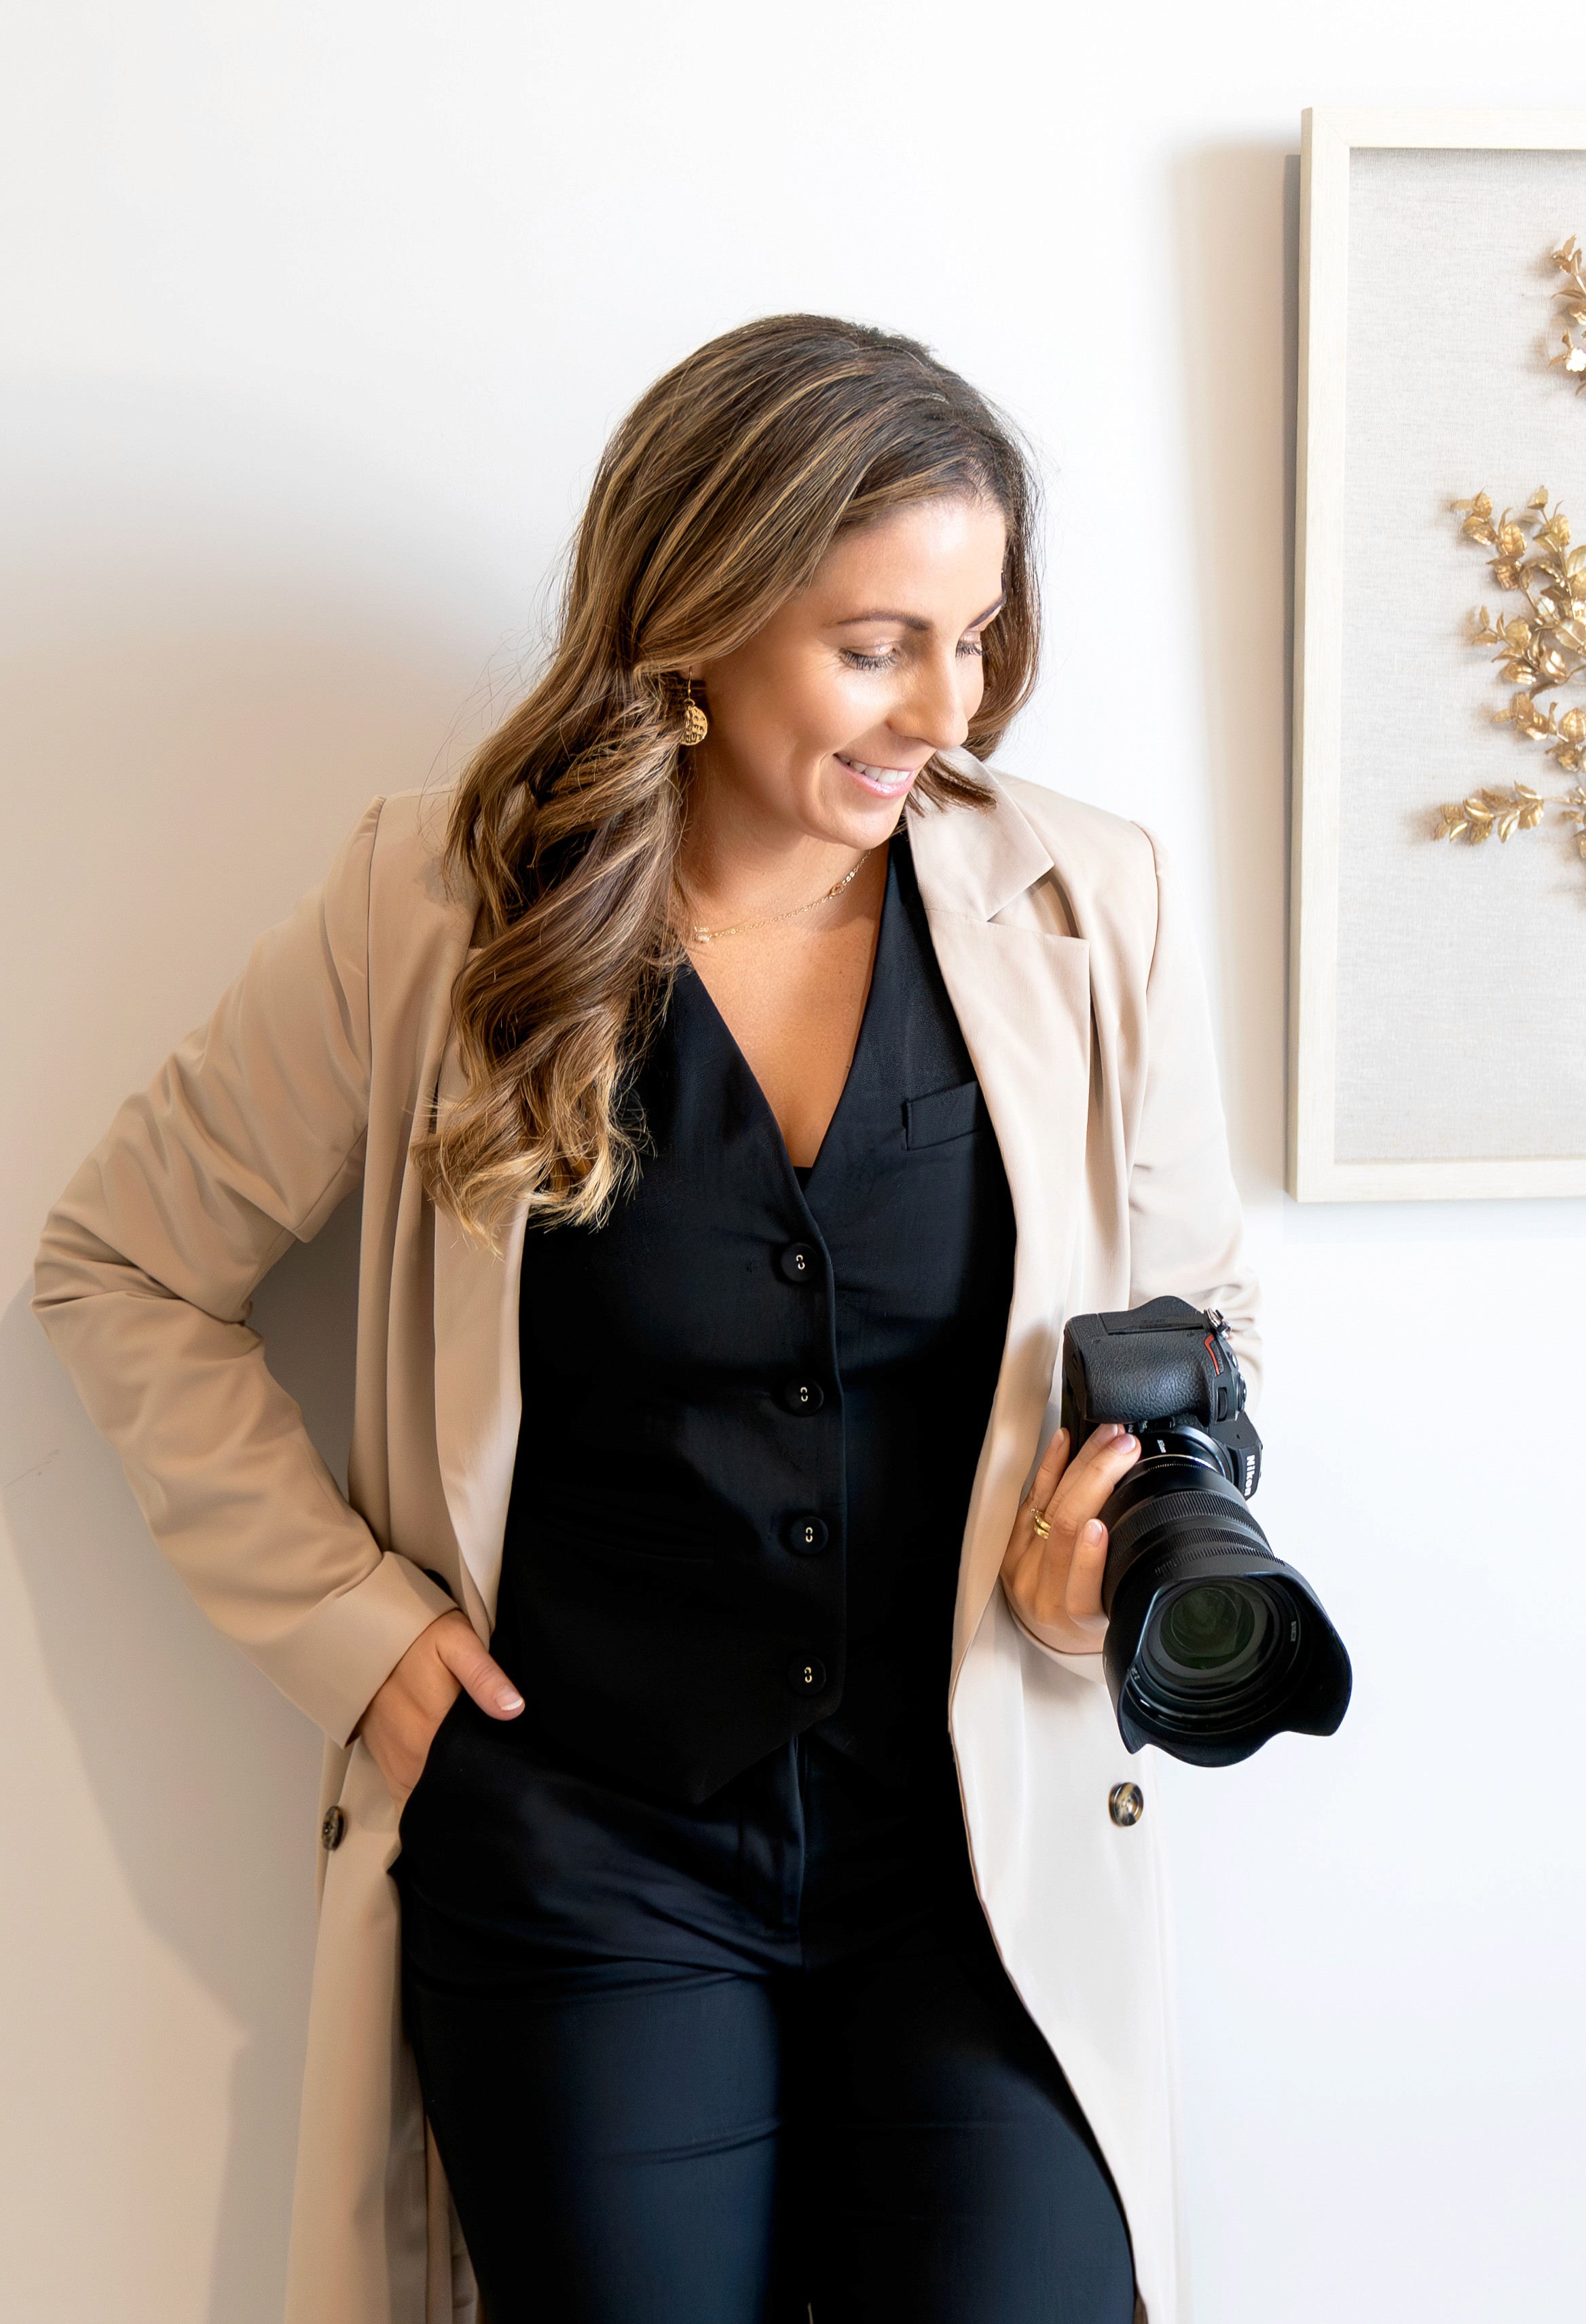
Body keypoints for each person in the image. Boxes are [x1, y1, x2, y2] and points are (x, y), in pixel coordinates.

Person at [34, 315, 1257, 2324]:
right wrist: (354, 1631)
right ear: (699, 617)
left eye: (975, 639)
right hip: (584, 1865)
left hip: (977, 1853)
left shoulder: (1084, 902)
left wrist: (1098, 1564)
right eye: (877, 646)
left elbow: (1203, 1324)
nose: (945, 710)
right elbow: (122, 1266)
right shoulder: (438, 911)